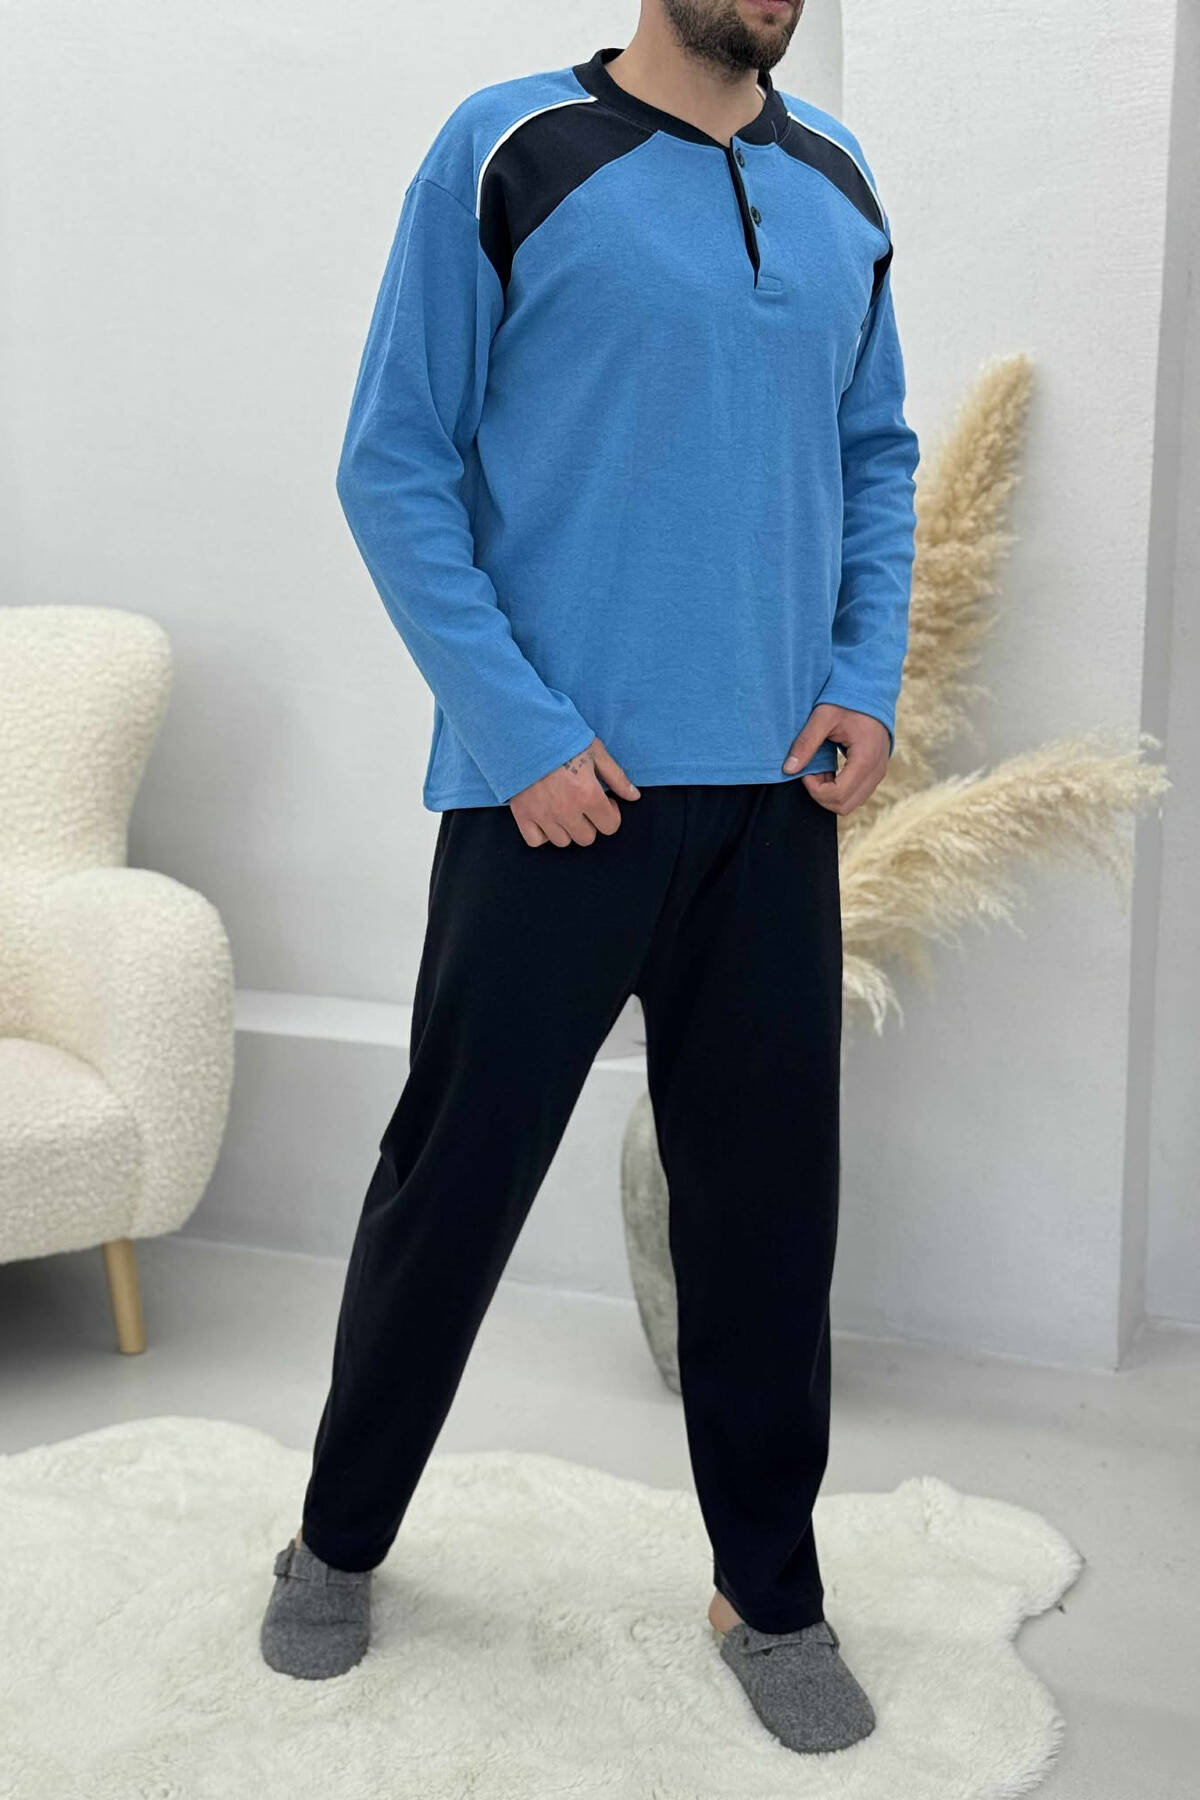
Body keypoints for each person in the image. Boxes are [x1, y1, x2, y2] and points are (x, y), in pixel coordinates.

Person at [260, 0, 918, 1755]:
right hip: (556, 797)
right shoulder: (507, 150)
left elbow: (875, 455)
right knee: (451, 1188)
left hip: (774, 803)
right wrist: (522, 734)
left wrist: (864, 680)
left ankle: (767, 1591)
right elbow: (394, 459)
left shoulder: (839, 178)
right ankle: (336, 1540)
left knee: (768, 1219)